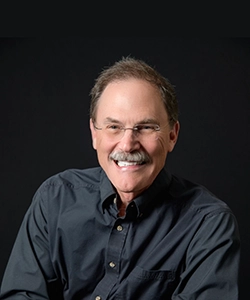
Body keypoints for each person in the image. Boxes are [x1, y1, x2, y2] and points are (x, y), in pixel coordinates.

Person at [0, 57, 240, 299]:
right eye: (114, 127)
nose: (127, 144)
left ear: (172, 136)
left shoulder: (208, 223)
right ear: (94, 134)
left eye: (146, 127)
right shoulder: (54, 199)